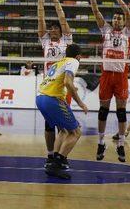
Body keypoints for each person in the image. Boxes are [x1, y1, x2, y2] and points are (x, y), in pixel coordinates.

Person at [85, 0, 130, 162]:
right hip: (106, 75)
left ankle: (120, 143)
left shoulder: (128, 32)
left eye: (119, 18)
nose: (117, 19)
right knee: (103, 111)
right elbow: (95, 11)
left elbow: (128, 12)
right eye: (115, 17)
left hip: (121, 76)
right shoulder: (105, 30)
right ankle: (101, 142)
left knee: (121, 111)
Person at [36, 44, 88, 179]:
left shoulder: (58, 62)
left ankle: (54, 159)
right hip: (52, 98)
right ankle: (57, 163)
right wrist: (81, 103)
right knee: (76, 132)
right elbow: (68, 82)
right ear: (79, 56)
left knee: (64, 130)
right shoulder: (73, 61)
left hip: (40, 97)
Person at [36, 0, 73, 164]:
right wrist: (40, 0)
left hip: (63, 87)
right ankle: (51, 154)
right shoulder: (45, 41)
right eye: (51, 29)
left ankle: (59, 155)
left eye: (55, 28)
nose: (52, 30)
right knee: (49, 124)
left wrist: (56, 0)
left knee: (64, 126)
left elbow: (64, 20)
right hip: (49, 87)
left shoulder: (66, 41)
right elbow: (40, 20)